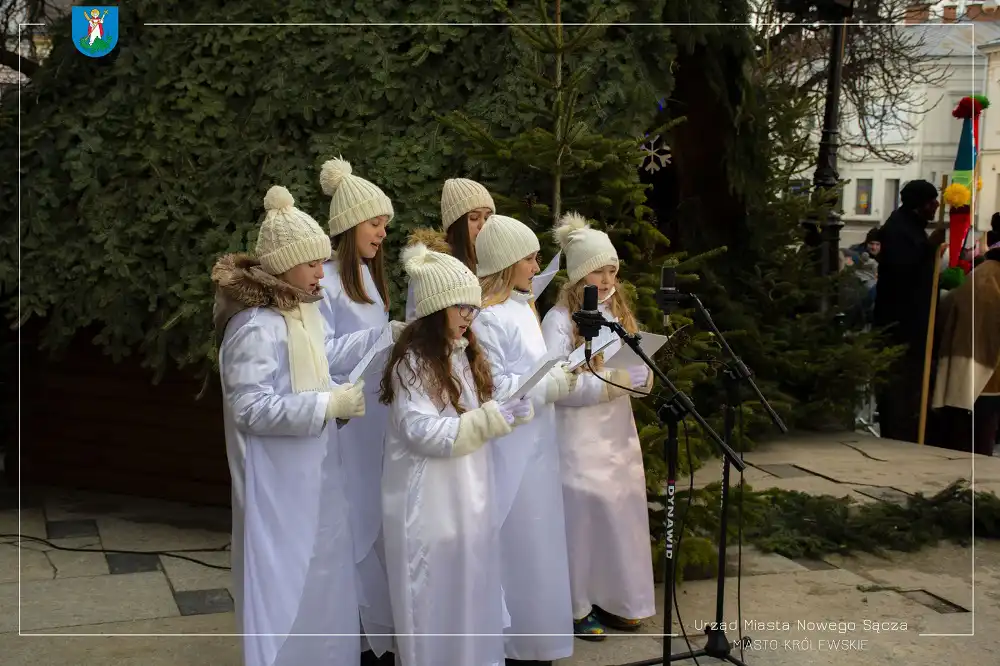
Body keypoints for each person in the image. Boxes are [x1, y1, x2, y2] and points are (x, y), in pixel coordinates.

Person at [212, 185, 368, 666]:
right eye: (312, 264)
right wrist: (326, 405)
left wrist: (386, 338)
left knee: (321, 572)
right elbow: (250, 408)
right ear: (285, 266)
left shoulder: (302, 310)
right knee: (285, 579)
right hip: (277, 482)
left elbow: (323, 358)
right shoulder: (256, 325)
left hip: (313, 471)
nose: (322, 273)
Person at [380, 242, 535, 666]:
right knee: (434, 611)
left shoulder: (465, 354)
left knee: (471, 605)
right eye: (462, 308)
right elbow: (422, 431)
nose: (471, 317)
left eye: (474, 308)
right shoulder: (413, 363)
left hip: (468, 504)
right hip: (429, 509)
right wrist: (490, 418)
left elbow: (480, 409)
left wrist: (513, 409)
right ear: (435, 310)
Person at [540, 212, 656, 641]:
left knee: (620, 515)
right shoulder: (559, 321)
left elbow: (635, 369)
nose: (607, 280)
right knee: (583, 519)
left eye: (612, 270)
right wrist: (605, 387)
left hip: (616, 437)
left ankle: (619, 597)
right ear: (577, 276)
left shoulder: (619, 313)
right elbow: (558, 385)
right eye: (597, 271)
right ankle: (578, 603)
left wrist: (641, 378)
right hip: (577, 439)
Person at [471, 214, 579, 665]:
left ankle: (540, 643)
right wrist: (552, 384)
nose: (538, 268)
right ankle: (515, 644)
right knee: (519, 548)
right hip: (510, 454)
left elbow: (531, 368)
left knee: (542, 548)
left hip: (539, 450)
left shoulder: (522, 307)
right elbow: (495, 387)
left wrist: (561, 371)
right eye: (530, 259)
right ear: (506, 262)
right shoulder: (487, 317)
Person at [317, 156, 402, 661]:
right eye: (376, 224)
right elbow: (321, 354)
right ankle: (356, 633)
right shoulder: (326, 282)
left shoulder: (368, 279)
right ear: (351, 227)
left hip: (379, 420)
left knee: (376, 520)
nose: (383, 234)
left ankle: (379, 631)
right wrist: (379, 338)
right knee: (354, 523)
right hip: (350, 423)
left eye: (385, 225)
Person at [873, 179, 945, 443]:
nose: (936, 206)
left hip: (915, 327)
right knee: (900, 391)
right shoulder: (898, 229)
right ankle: (898, 436)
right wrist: (929, 249)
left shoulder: (912, 227)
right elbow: (902, 273)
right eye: (931, 201)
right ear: (918, 204)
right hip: (900, 327)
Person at [932, 243, 1000, 455]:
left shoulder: (978, 274)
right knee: (981, 437)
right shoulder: (993, 279)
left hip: (960, 365)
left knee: (961, 435)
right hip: (987, 373)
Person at [405, 178, 496, 320]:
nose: (482, 225)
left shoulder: (493, 265)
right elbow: (417, 326)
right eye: (473, 217)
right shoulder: (430, 269)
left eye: (488, 217)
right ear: (456, 224)